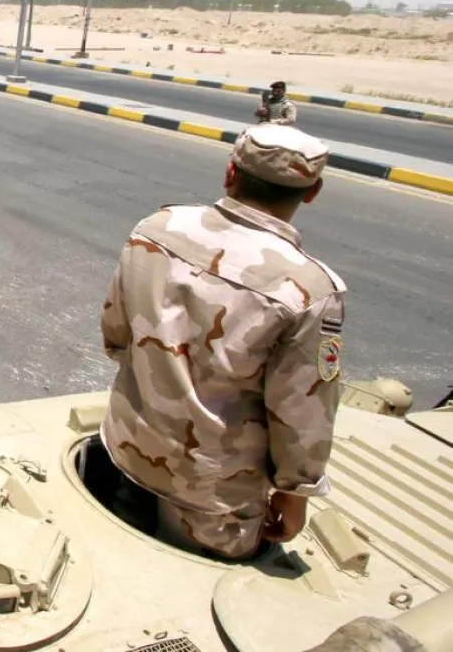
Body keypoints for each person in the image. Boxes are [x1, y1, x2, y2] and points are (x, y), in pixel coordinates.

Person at [100, 123, 346, 561]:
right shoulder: (309, 290)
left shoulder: (156, 228)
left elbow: (116, 332)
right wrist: (296, 493)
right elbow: (300, 409)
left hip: (129, 447)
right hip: (212, 492)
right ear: (312, 192)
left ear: (230, 173)